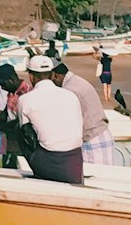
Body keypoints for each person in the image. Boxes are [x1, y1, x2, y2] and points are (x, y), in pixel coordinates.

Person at [18, 55, 84, 184]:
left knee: (18, 129)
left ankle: (38, 174)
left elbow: (27, 136)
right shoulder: (71, 96)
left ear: (31, 76)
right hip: (75, 162)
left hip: (48, 162)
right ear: (52, 74)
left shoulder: (24, 100)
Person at [52, 61, 115, 164]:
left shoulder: (69, 90)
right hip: (100, 134)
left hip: (92, 140)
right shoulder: (76, 81)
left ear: (56, 75)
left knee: (95, 178)